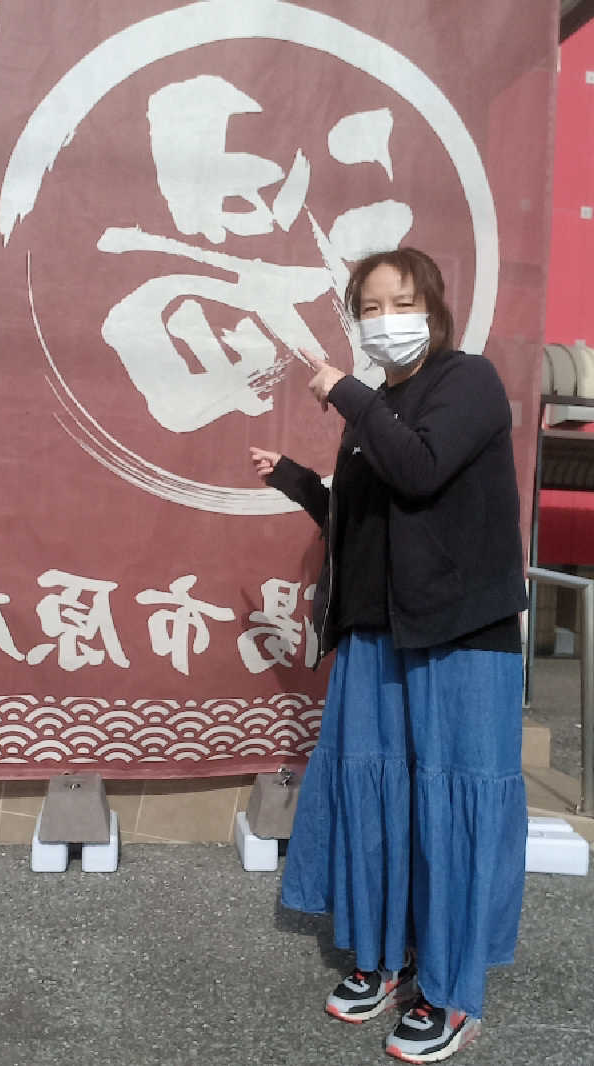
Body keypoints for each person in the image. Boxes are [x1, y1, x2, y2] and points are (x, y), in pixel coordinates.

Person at [250, 248, 527, 1064]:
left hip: (457, 632)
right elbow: (369, 514)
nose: (385, 319)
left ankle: (449, 993)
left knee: (450, 805)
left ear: (433, 307)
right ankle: (384, 958)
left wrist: (344, 391)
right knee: (381, 803)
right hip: (376, 632)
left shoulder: (467, 382)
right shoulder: (381, 409)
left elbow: (423, 469)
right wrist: (302, 482)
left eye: (399, 301)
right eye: (368, 307)